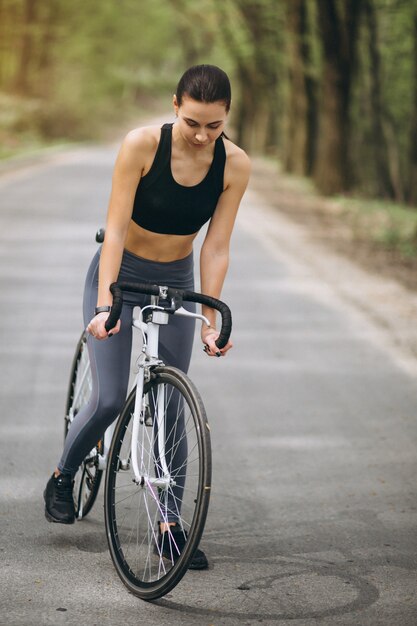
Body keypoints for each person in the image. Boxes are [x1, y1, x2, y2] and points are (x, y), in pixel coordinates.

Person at [44, 64, 251, 569]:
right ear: (175, 105)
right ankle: (64, 474)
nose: (203, 136)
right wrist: (103, 306)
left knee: (168, 401)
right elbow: (113, 231)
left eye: (215, 126)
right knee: (112, 395)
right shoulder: (141, 145)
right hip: (119, 274)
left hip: (176, 281)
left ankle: (168, 527)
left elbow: (216, 247)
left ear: (227, 119)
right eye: (194, 123)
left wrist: (208, 316)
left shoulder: (234, 165)